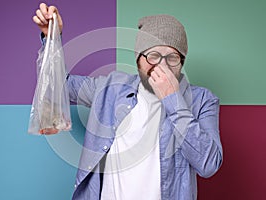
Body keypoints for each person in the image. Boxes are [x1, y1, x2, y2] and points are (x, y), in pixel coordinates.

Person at [33, 3, 223, 200]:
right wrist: (51, 40)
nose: (162, 65)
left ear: (182, 62)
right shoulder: (111, 88)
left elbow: (209, 164)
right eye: (153, 56)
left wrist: (173, 100)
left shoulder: (203, 100)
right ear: (138, 59)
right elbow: (58, 86)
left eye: (172, 57)